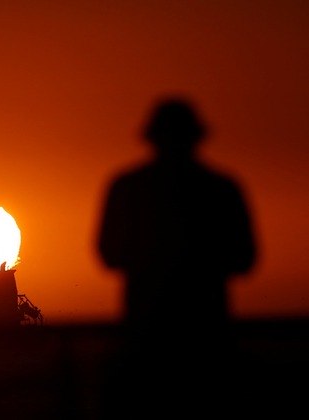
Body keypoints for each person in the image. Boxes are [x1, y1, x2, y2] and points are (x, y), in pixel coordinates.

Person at [96, 97, 256, 418]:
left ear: (150, 137)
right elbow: (245, 258)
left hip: (144, 340)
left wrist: (150, 262)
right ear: (198, 136)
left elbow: (108, 254)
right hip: (209, 343)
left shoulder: (127, 187)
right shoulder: (222, 188)